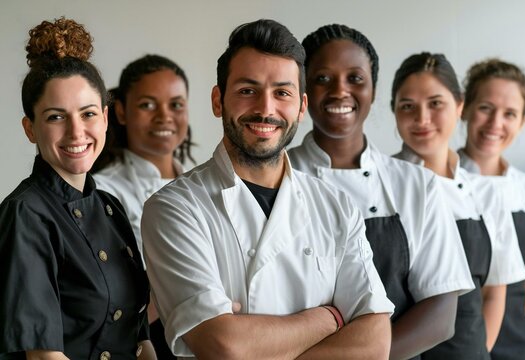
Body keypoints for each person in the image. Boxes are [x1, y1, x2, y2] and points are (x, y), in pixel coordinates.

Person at [142, 19, 394, 359]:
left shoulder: (335, 206)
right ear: (218, 101)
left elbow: (374, 344)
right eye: (248, 90)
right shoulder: (174, 208)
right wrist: (329, 318)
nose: (265, 108)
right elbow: (224, 346)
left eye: (282, 93)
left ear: (301, 107)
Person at [288, 24, 475, 360]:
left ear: (373, 90)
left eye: (355, 78)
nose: (339, 91)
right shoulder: (277, 178)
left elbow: (440, 315)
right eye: (322, 79)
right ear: (304, 91)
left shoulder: (416, 184)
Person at [0, 17, 155, 359]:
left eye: (87, 114)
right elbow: (43, 355)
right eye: (56, 117)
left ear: (105, 117)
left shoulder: (109, 207)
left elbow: (139, 338)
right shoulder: (26, 213)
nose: (76, 132)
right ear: (30, 128)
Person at [391, 52, 525, 359]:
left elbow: (494, 292)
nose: (422, 118)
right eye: (407, 106)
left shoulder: (485, 192)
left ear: (459, 106)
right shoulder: (381, 187)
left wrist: (479, 352)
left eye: (435, 103)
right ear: (394, 112)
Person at [92, 54, 193, 360]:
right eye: (148, 105)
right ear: (120, 111)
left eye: (175, 104)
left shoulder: (202, 183)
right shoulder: (101, 192)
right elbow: (106, 302)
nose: (164, 117)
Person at [459, 58, 525, 360]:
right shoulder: (435, 182)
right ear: (464, 108)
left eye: (510, 114)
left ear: (522, 123)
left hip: (517, 348)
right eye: (485, 108)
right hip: (452, 347)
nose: (496, 124)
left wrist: (505, 305)